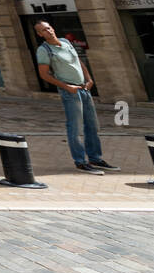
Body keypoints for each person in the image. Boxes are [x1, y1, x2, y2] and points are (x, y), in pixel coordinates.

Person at [34, 20, 118, 174]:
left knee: (92, 125)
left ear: (52, 28)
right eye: (43, 30)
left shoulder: (66, 42)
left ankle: (95, 158)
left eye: (49, 28)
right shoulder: (44, 50)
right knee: (75, 127)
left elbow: (78, 61)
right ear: (40, 35)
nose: (48, 31)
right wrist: (67, 87)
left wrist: (89, 79)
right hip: (70, 91)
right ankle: (80, 162)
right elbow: (44, 74)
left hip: (84, 88)